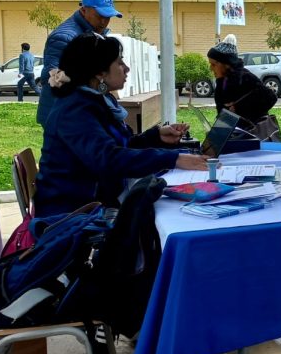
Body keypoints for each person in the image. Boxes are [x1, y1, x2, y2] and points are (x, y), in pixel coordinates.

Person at [34, 34, 207, 217]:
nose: (127, 68)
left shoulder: (91, 101)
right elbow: (108, 159)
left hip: (93, 206)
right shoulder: (75, 110)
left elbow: (116, 147)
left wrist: (156, 137)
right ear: (99, 72)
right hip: (72, 217)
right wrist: (173, 159)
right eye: (119, 62)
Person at [37, 0, 122, 127]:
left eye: (108, 17)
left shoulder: (95, 34)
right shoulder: (64, 38)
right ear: (84, 10)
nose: (104, 22)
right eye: (100, 16)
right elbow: (54, 79)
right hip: (63, 115)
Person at [207, 35, 277, 125]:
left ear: (226, 64)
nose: (211, 68)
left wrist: (239, 108)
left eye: (213, 64)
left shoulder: (246, 77)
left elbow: (271, 98)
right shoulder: (222, 81)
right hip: (233, 131)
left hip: (252, 132)